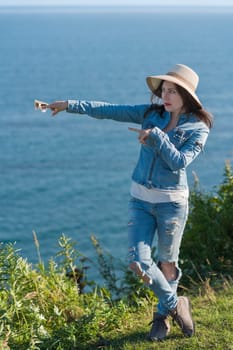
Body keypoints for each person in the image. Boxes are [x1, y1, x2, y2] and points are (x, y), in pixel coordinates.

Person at [46, 64, 213, 341]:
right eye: (163, 91)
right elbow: (109, 110)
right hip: (140, 200)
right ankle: (176, 305)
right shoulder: (151, 114)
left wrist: (158, 137)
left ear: (186, 95)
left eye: (172, 91)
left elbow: (179, 163)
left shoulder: (198, 127)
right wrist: (69, 105)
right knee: (138, 262)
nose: (165, 97)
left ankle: (160, 319)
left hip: (172, 204)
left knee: (167, 264)